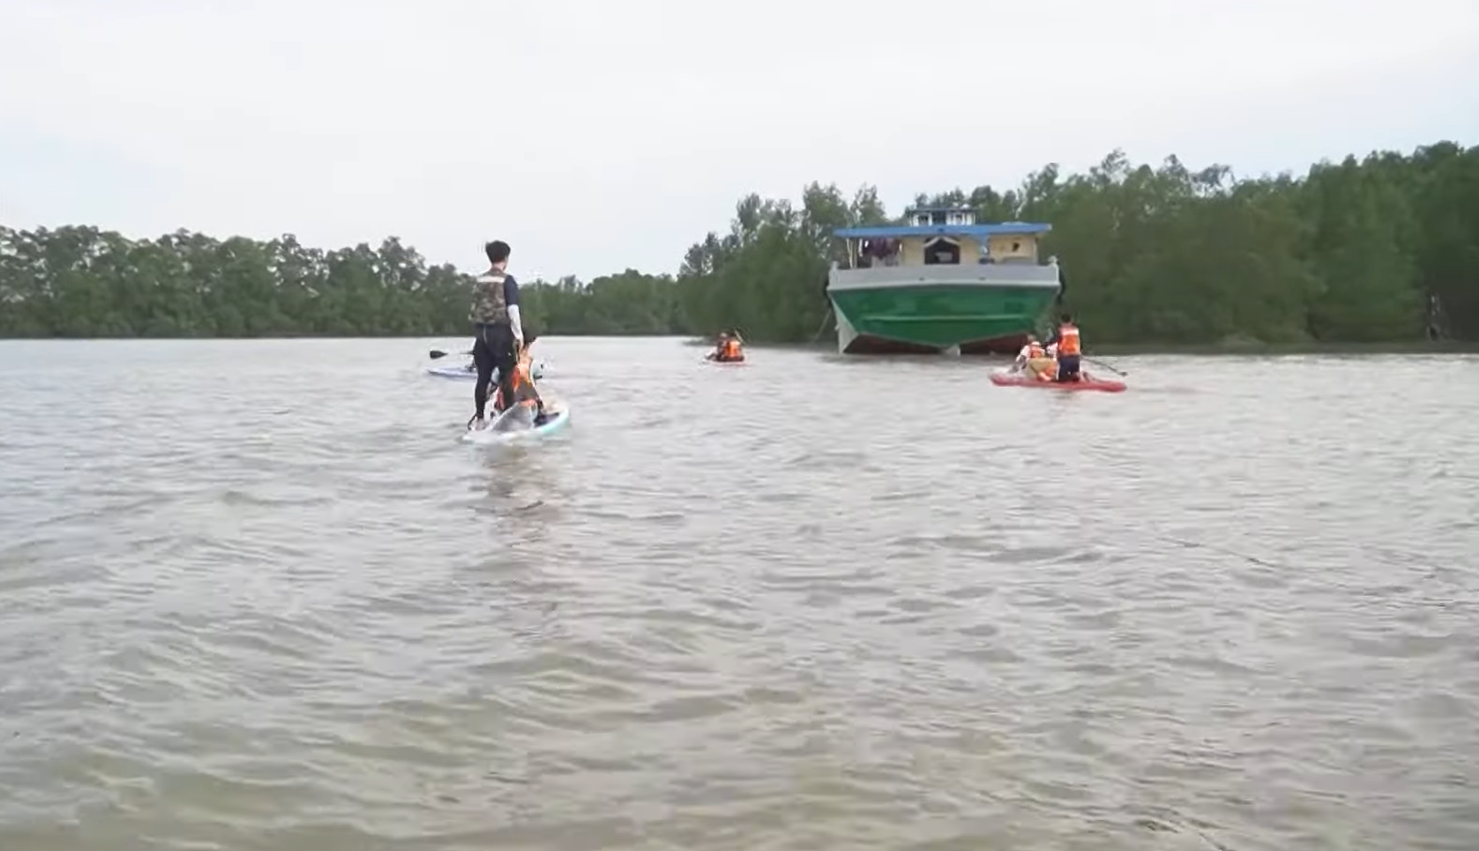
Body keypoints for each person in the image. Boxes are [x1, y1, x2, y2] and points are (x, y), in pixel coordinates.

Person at [467, 240, 523, 430]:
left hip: (481, 334)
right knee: (507, 375)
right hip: (500, 333)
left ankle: (480, 420)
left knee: (482, 378)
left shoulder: (479, 281)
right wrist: (518, 335)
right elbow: (513, 309)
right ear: (506, 258)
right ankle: (508, 418)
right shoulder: (507, 280)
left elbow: (474, 308)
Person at [1044, 312, 1082, 383]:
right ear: (1071, 321)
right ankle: (1075, 381)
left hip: (1065, 358)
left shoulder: (1061, 331)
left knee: (1062, 380)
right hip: (1076, 357)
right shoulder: (1076, 330)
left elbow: (1052, 341)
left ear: (1061, 321)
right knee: (1075, 378)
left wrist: (1044, 346)